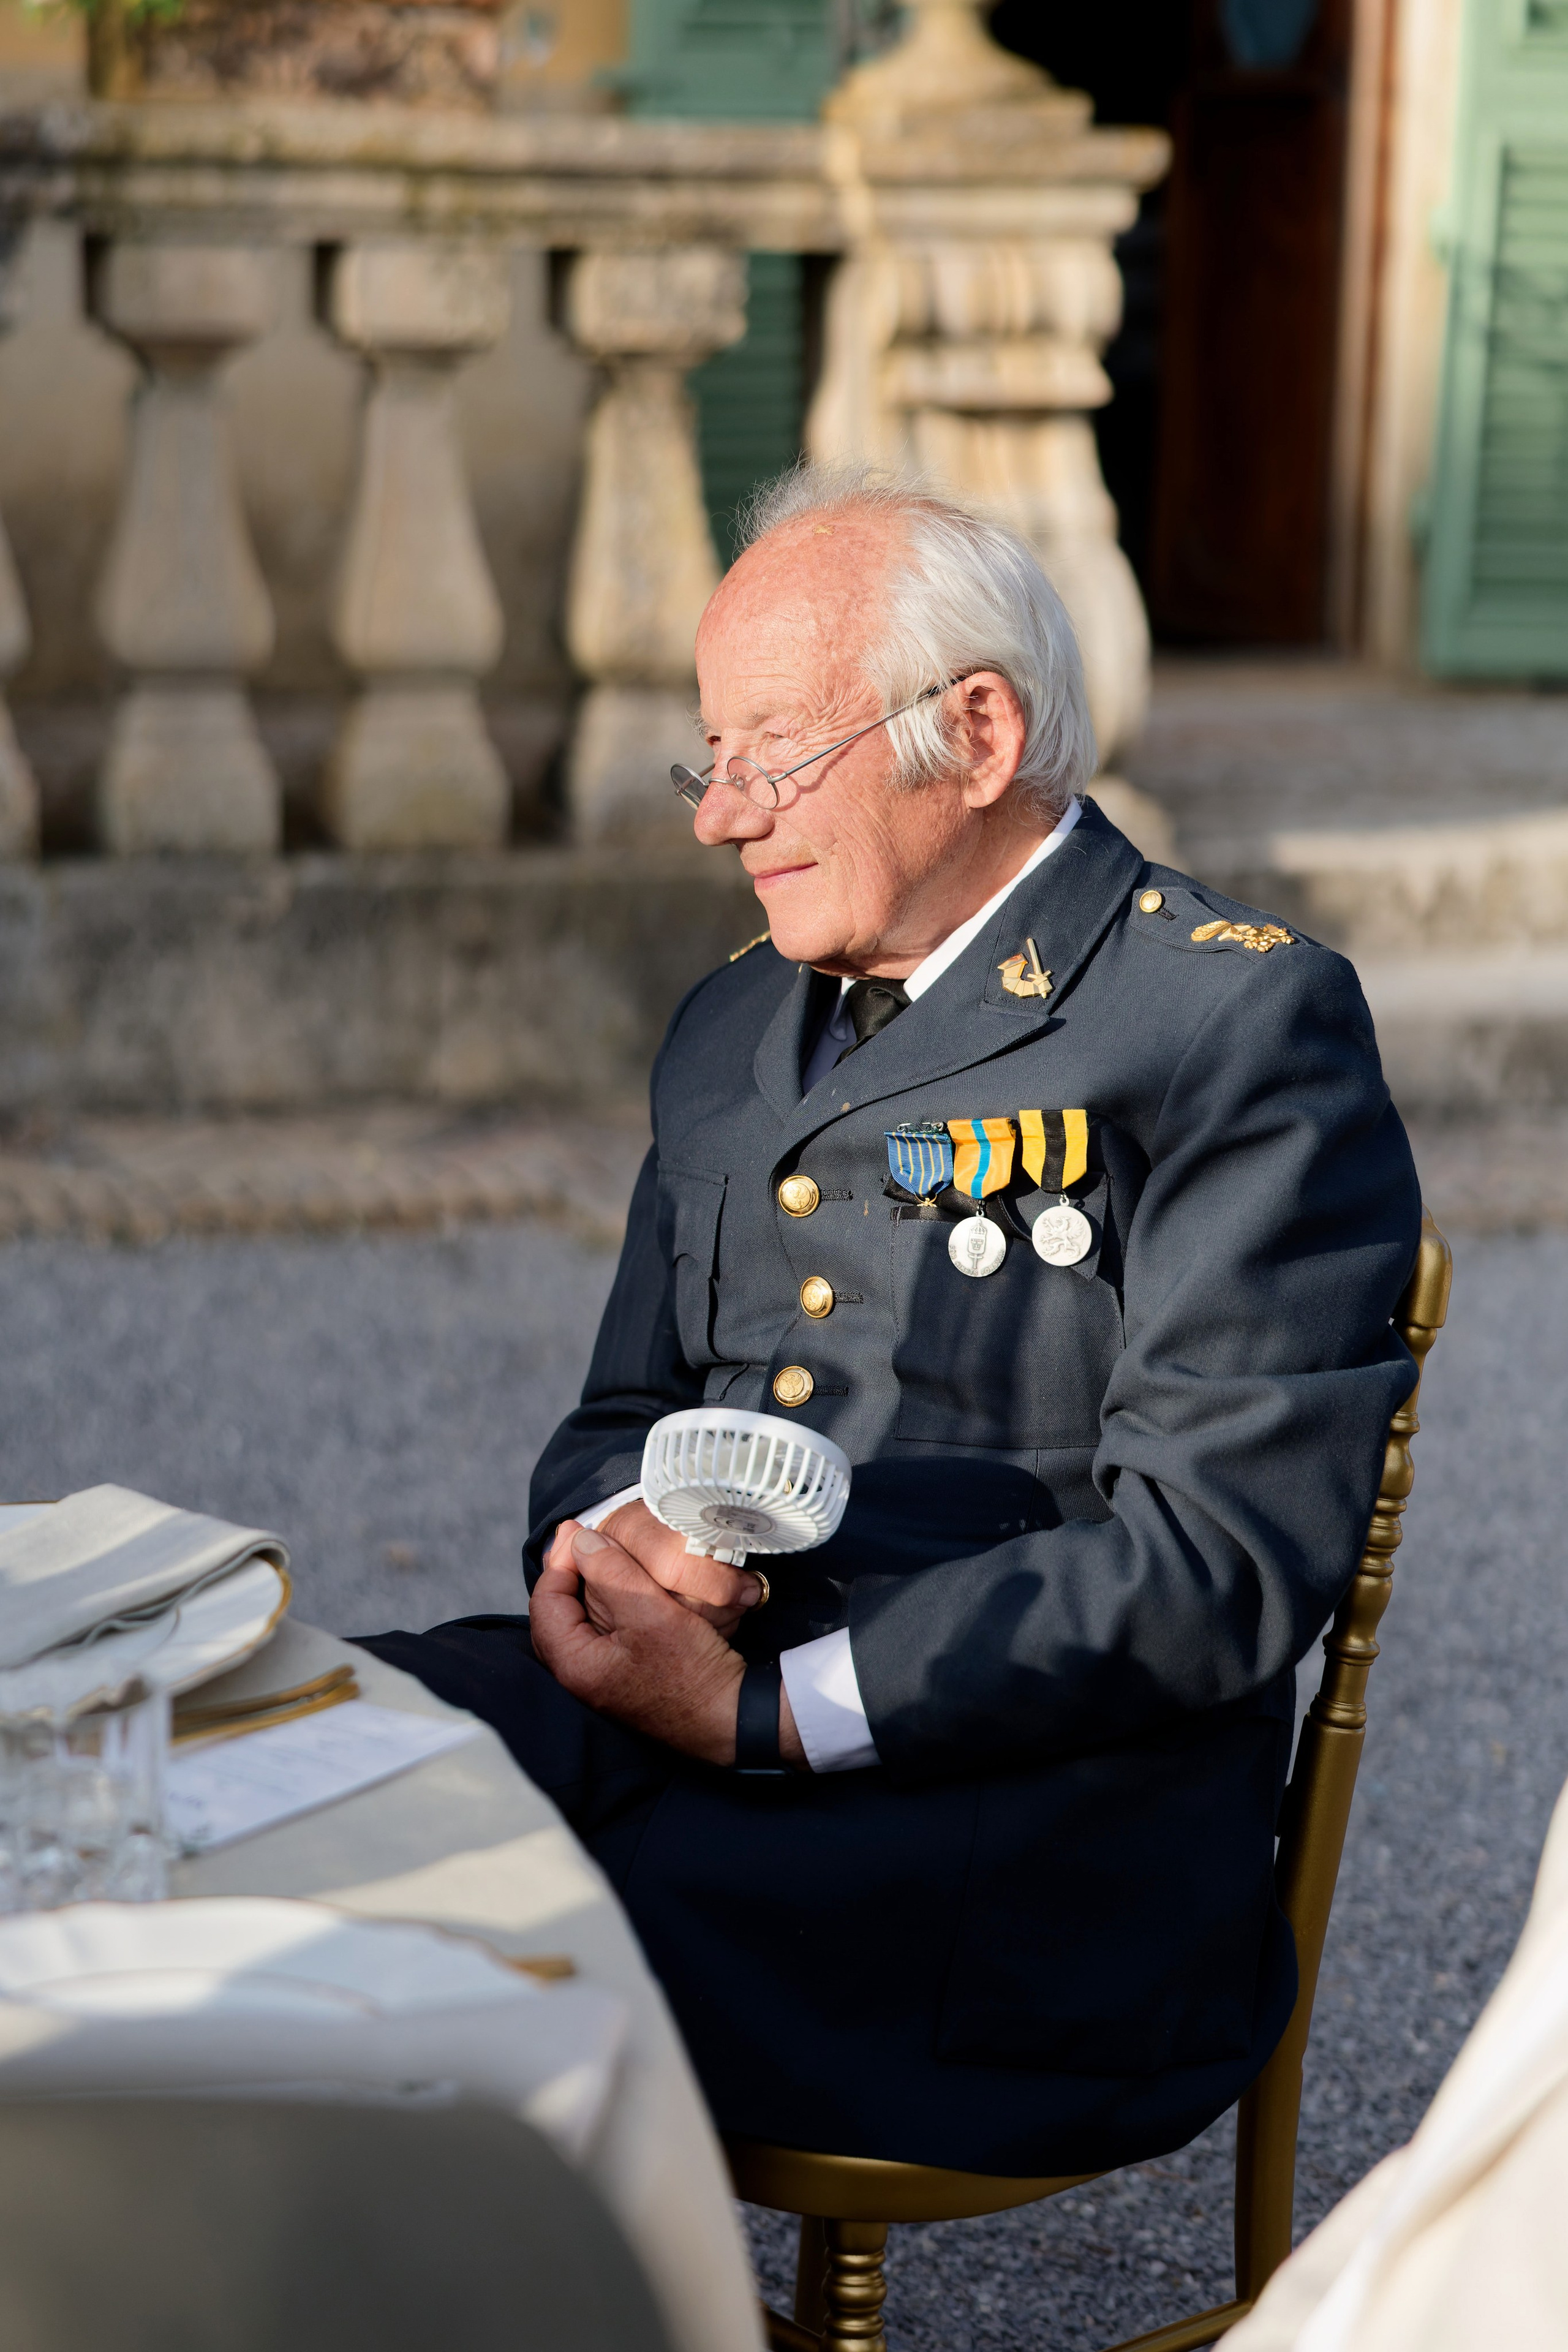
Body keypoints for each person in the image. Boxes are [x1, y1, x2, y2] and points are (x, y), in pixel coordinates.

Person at [360, 467, 1422, 2177]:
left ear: (978, 733)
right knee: (308, 1757)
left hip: (1027, 1841)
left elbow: (1216, 1563)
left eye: (770, 753)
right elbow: (618, 1411)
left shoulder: (1231, 1019)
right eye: (710, 757)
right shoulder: (731, 1024)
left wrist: (768, 1714)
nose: (719, 814)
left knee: (454, 1975)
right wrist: (623, 1552)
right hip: (700, 1708)